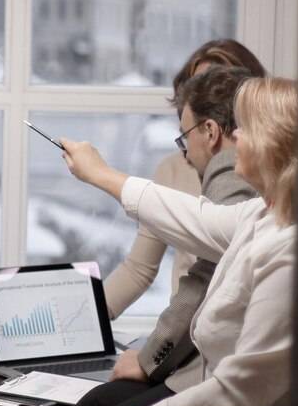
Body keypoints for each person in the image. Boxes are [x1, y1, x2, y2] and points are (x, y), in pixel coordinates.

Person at [63, 76, 298, 406]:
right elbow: (194, 218)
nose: (234, 135)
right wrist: (99, 174)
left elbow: (241, 389)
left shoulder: (290, 251)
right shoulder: (262, 214)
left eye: (245, 128)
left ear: (274, 144)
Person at [105, 39, 266, 318]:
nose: (205, 97)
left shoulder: (269, 174)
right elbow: (138, 269)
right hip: (183, 330)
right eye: (198, 87)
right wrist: (82, 320)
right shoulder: (171, 169)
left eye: (219, 87)